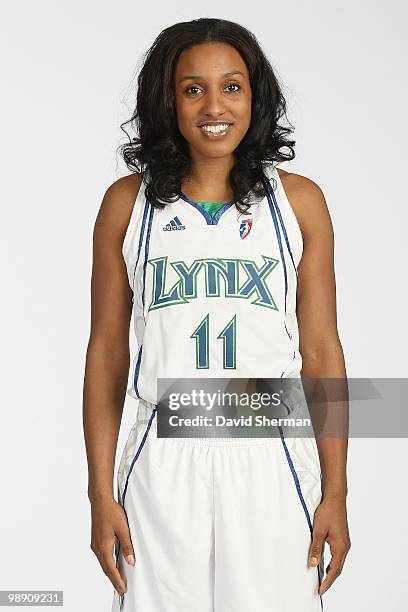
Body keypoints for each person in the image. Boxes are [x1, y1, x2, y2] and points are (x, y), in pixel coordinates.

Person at [83, 17, 351, 612]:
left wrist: (337, 491)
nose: (214, 105)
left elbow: (323, 352)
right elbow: (107, 350)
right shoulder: (128, 204)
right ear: (167, 99)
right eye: (192, 88)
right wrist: (100, 493)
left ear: (255, 97)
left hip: (271, 448)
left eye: (231, 86)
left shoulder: (297, 202)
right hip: (162, 454)